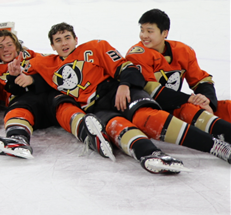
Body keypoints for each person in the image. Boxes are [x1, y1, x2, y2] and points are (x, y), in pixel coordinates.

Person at [14, 22, 231, 174]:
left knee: (148, 118)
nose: (64, 43)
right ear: (52, 45)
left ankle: (216, 146)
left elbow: (126, 67)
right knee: (118, 126)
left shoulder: (96, 47)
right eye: (58, 40)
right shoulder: (45, 63)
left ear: (76, 39)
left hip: (117, 92)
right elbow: (22, 68)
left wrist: (125, 85)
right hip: (96, 108)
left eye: (67, 38)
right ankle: (150, 154)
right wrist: (22, 76)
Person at [0, 30, 114, 161]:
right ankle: (17, 139)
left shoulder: (35, 57)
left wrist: (32, 79)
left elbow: (56, 71)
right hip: (26, 104)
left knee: (64, 104)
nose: (5, 49)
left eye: (9, 45)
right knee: (17, 108)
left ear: (17, 46)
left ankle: (90, 135)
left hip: (51, 98)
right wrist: (13, 76)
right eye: (0, 47)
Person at [127, 9, 231, 130]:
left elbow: (200, 80)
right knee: (191, 110)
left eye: (149, 31)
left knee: (226, 107)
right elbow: (152, 91)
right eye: (142, 30)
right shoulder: (137, 55)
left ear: (164, 33)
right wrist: (190, 99)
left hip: (176, 103)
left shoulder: (183, 51)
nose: (144, 35)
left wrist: (206, 101)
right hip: (151, 111)